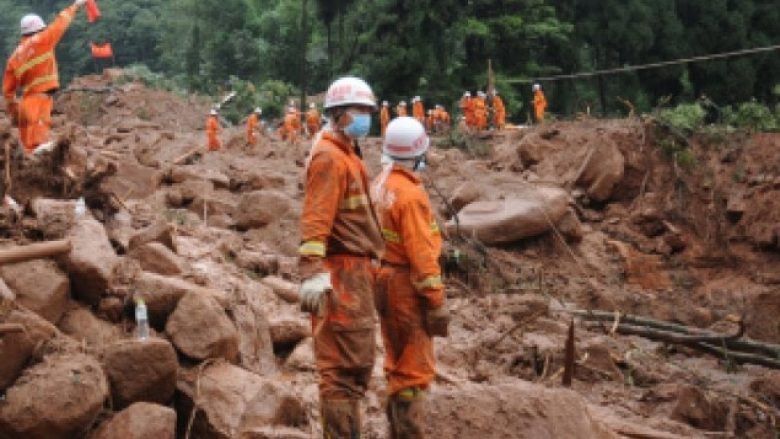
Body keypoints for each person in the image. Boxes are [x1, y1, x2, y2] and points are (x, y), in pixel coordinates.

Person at [298, 76, 385, 438]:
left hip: (357, 269)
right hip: (342, 272)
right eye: (359, 110)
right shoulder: (330, 157)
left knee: (357, 363)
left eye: (368, 110)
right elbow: (315, 219)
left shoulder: (348, 154)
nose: (365, 116)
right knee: (341, 370)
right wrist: (313, 271)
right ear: (338, 113)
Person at [372, 117, 450, 439]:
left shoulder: (380, 183)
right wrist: (435, 301)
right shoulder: (411, 196)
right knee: (414, 370)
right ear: (418, 153)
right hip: (406, 286)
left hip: (382, 278)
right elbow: (421, 254)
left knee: (395, 358)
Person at [3, 0, 88, 154]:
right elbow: (60, 23)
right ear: (39, 29)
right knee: (38, 149)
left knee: (26, 151)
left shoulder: (14, 57)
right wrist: (76, 5)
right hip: (39, 101)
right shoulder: (42, 40)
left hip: (25, 104)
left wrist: (15, 113)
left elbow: (8, 93)